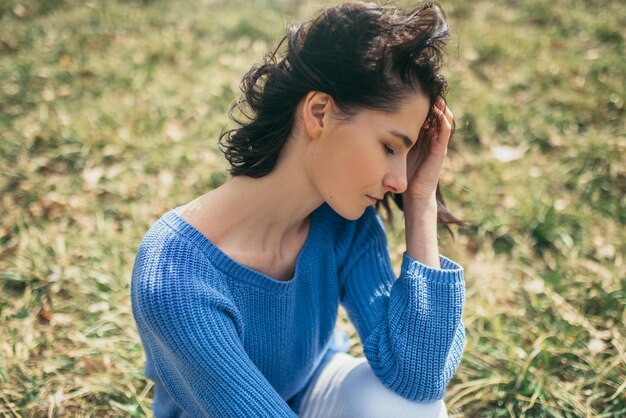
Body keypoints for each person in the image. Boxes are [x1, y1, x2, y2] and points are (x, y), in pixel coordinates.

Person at [130, 2, 466, 417]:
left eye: (407, 153)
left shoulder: (345, 224)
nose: (398, 179)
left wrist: (421, 203)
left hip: (315, 388)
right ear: (319, 113)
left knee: (408, 409)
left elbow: (419, 378)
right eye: (389, 147)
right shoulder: (174, 280)